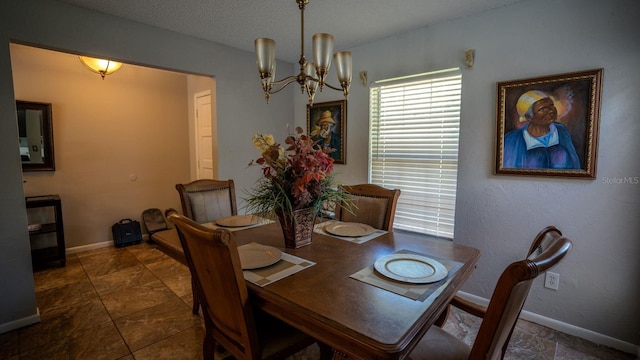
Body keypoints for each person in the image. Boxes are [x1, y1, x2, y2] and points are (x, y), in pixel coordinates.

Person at [503, 90, 580, 169]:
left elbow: (574, 165)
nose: (551, 111)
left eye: (551, 105)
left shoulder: (561, 131)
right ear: (528, 117)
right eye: (543, 109)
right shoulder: (511, 140)